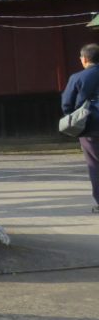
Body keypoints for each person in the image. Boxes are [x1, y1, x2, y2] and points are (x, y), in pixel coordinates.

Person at [62, 43, 99, 213]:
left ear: (84, 59)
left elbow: (67, 104)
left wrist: (76, 118)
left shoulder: (77, 77)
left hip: (90, 127)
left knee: (95, 165)